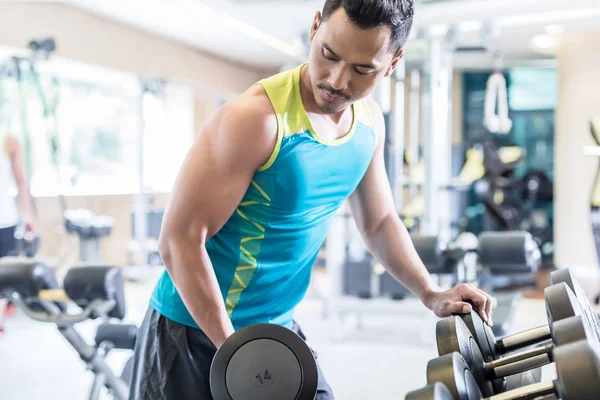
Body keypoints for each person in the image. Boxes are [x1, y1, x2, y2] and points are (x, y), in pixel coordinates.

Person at [129, 1, 496, 399]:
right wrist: (235, 351)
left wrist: (432, 292)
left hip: (275, 327)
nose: (338, 81)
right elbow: (179, 240)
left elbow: (379, 221)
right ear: (315, 27)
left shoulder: (369, 123)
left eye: (362, 69)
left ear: (393, 63)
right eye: (329, 55)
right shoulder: (256, 120)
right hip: (190, 332)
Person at [0, 131, 37, 334]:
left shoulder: (8, 141)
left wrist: (28, 215)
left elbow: (21, 181)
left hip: (4, 220)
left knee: (3, 275)